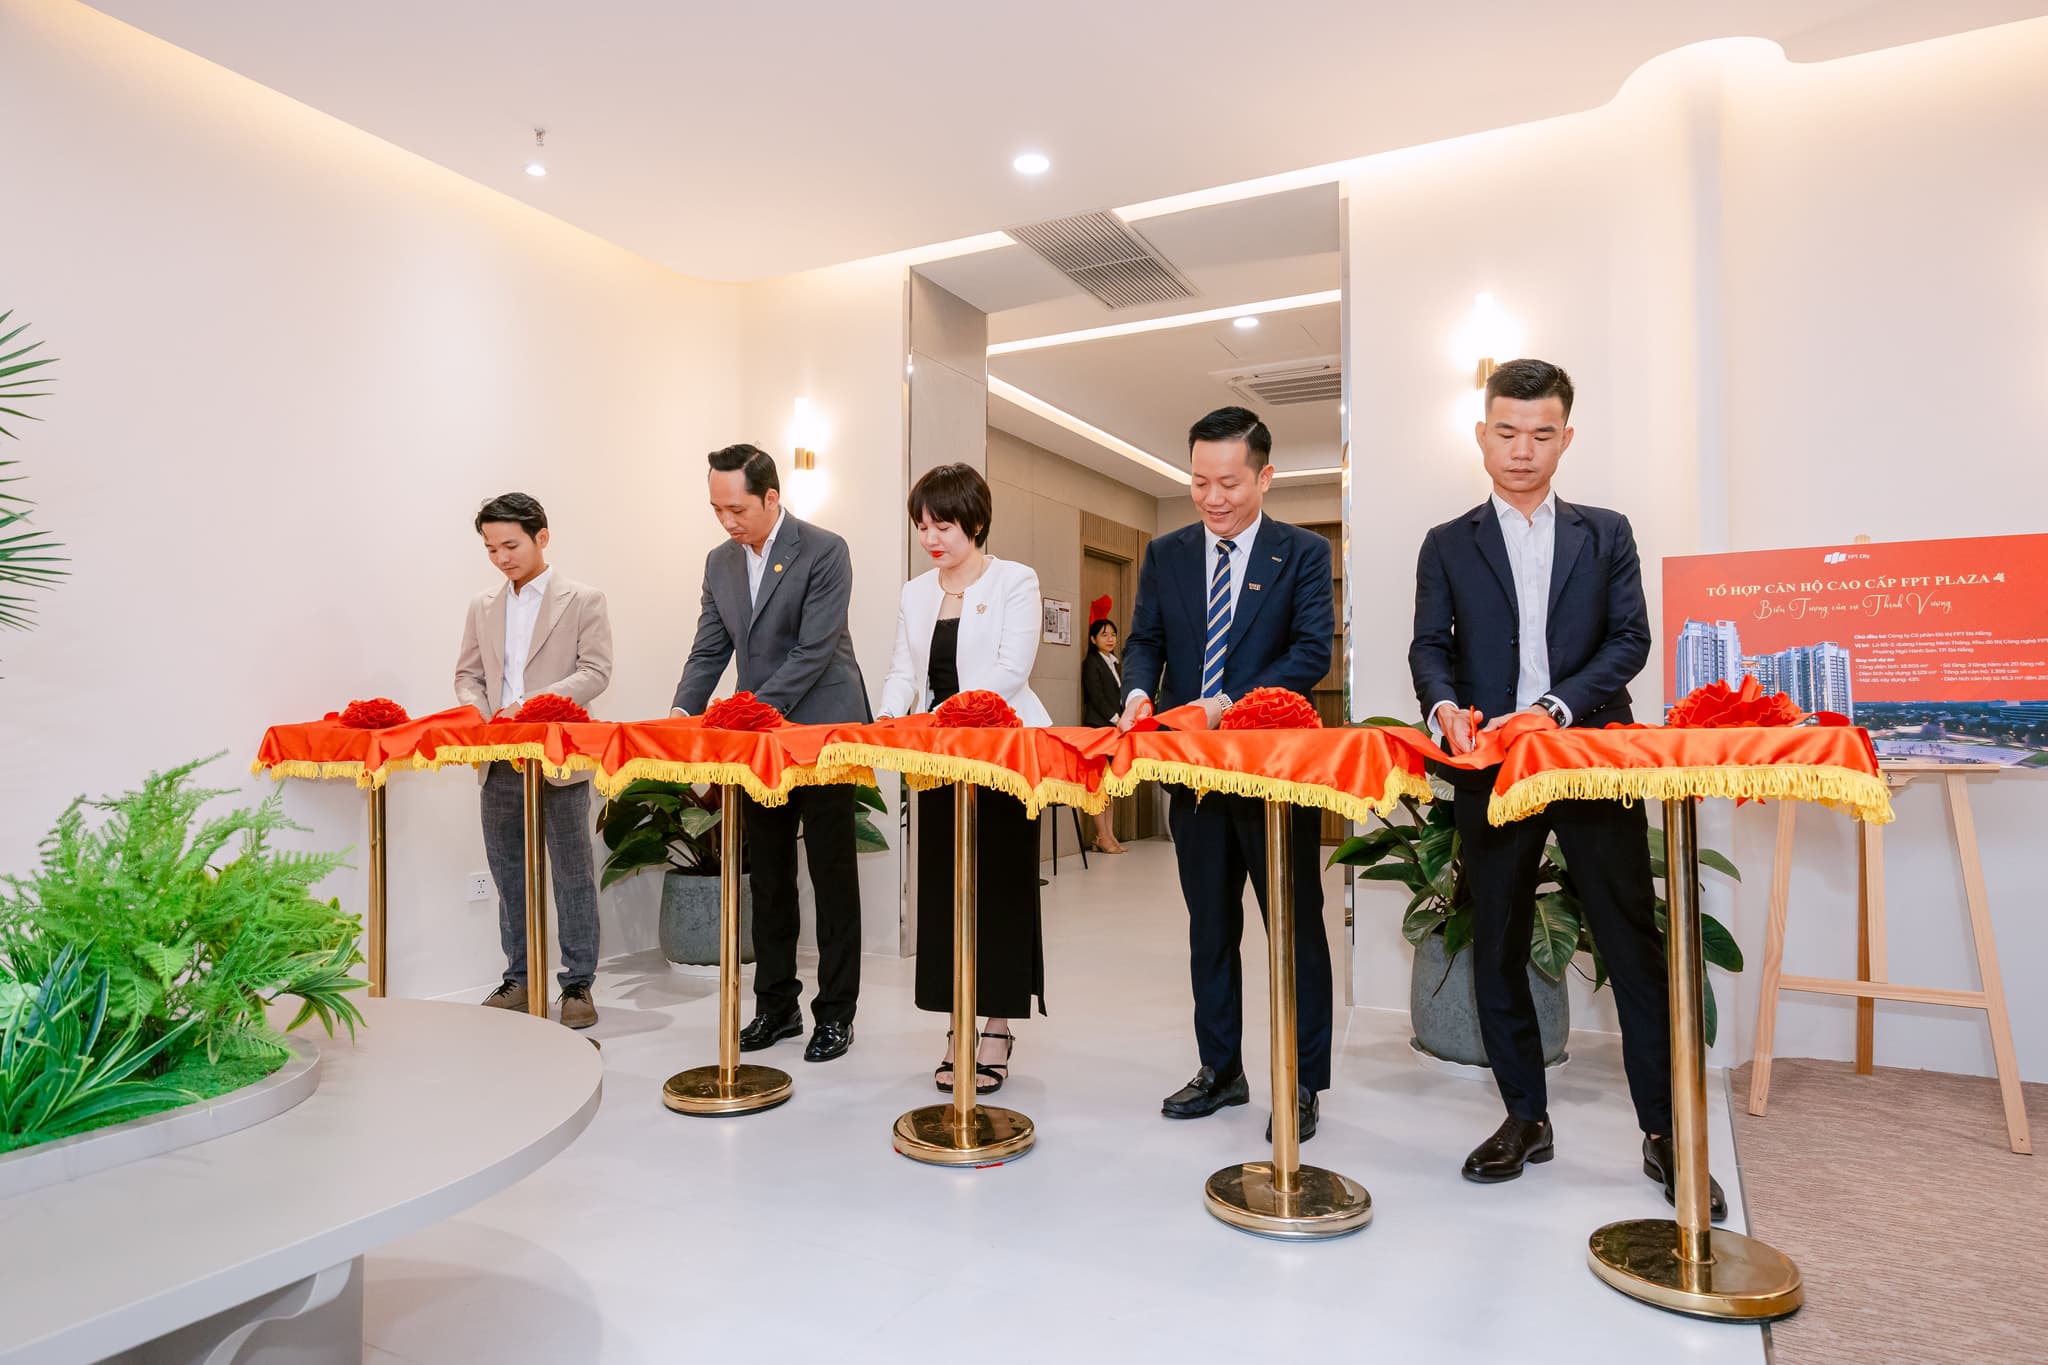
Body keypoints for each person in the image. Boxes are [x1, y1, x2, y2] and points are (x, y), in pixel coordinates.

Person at [1408, 357, 1725, 1219]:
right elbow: (1428, 646)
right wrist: (1443, 707)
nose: (1522, 449)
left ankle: (1664, 1132)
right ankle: (1524, 1115)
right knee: (1500, 937)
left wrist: (1552, 707)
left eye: (1541, 433)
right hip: (1491, 767)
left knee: (1628, 943)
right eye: (1506, 432)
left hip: (1588, 756)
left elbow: (1630, 641)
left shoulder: (1606, 531)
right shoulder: (1447, 541)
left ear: (1566, 437)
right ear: (1481, 434)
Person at [1118, 407, 1334, 1141]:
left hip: (1274, 773)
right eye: (1200, 482)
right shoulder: (1167, 553)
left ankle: (1302, 1082)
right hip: (1194, 774)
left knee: (1292, 928)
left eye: (1230, 483)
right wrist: (1139, 691)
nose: (1212, 497)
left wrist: (1225, 703)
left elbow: (1312, 654)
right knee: (1209, 927)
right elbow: (1145, 639)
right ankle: (1222, 1068)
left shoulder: (1301, 553)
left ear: (1265, 477)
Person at [672, 444, 869, 1063]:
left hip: (821, 728)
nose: (727, 521)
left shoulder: (824, 549)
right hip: (758, 741)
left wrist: (747, 711)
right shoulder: (719, 562)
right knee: (771, 873)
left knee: (832, 874)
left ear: (771, 498)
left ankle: (836, 1014)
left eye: (737, 508)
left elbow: (813, 651)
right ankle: (776, 1005)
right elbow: (710, 647)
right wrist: (684, 712)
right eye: (716, 509)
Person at [877, 463, 1048, 1096]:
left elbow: (1009, 670)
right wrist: (893, 716)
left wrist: (943, 717)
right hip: (938, 760)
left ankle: (997, 1028)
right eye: (922, 526)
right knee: (945, 891)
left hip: (1003, 754)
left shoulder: (1014, 581)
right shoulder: (916, 592)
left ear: (974, 522)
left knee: (999, 889)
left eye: (943, 525)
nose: (931, 538)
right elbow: (903, 669)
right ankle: (955, 1029)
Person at [454, 493, 613, 1029]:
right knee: (508, 873)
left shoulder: (584, 599)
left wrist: (531, 706)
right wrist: (480, 714)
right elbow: (468, 675)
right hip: (498, 758)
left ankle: (577, 985)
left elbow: (595, 671)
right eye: (491, 548)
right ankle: (521, 979)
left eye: (511, 544)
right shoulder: (482, 605)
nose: (501, 557)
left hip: (560, 755)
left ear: (541, 536)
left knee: (571, 872)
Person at [1080, 614, 1129, 853]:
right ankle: (1101, 835)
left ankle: (1108, 835)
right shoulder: (1092, 662)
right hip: (1099, 729)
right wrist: (1118, 720)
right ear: (1092, 639)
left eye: (1113, 634)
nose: (1110, 638)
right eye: (1104, 634)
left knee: (1111, 785)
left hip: (1114, 731)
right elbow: (1097, 697)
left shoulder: (1114, 662)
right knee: (1099, 784)